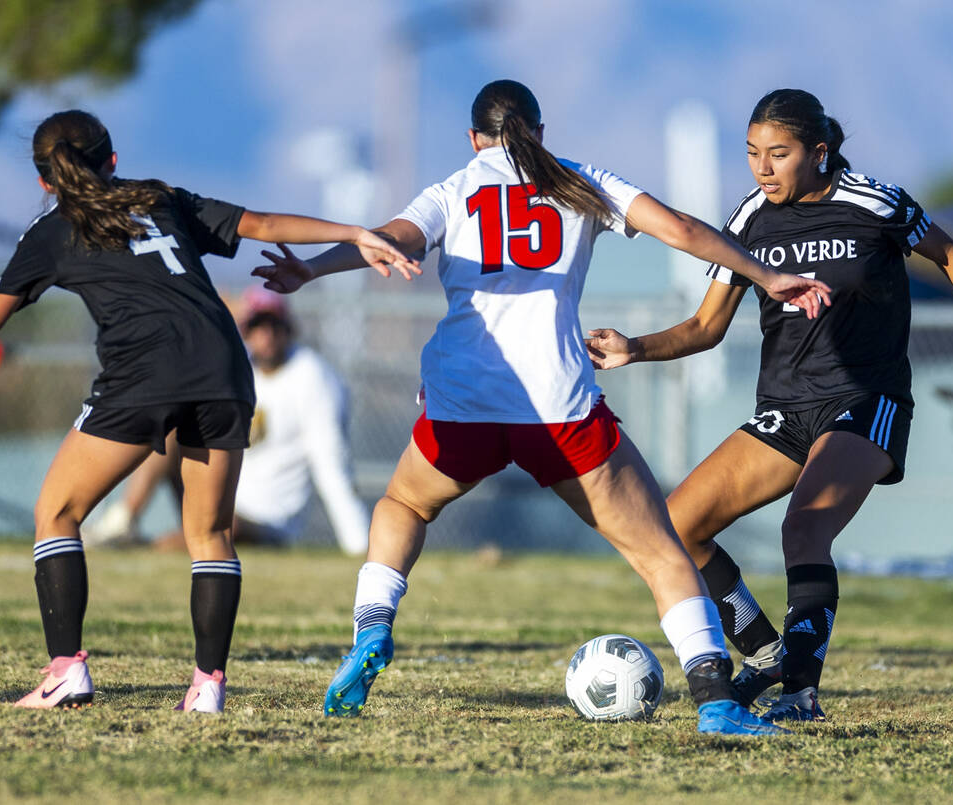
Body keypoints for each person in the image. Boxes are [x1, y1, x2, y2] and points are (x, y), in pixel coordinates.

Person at [253, 80, 831, 735]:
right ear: (540, 131)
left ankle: (371, 628)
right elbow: (681, 229)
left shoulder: (454, 190)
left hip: (464, 402)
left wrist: (310, 269)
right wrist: (767, 274)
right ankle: (716, 701)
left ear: (475, 139)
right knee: (660, 551)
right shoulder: (579, 181)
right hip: (558, 405)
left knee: (404, 505)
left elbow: (389, 239)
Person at [0, 109, 417, 713]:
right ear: (112, 159)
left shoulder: (52, 230)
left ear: (45, 182)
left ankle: (66, 672)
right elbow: (263, 222)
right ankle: (207, 687)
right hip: (223, 364)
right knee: (210, 533)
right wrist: (354, 233)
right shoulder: (160, 197)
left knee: (57, 512)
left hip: (145, 374)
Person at [586, 88, 953, 722]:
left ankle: (801, 694)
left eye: (777, 154)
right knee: (677, 527)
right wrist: (634, 348)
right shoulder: (750, 218)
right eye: (753, 153)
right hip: (786, 407)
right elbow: (705, 327)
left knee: (804, 527)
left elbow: (948, 254)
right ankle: (764, 653)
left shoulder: (878, 202)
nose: (762, 168)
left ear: (818, 152)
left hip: (867, 399)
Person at [86, 286, 371, 555]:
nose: (267, 335)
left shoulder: (312, 377)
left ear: (288, 329)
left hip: (267, 519)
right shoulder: (238, 366)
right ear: (246, 331)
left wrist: (357, 542)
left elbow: (331, 463)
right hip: (220, 489)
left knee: (222, 528)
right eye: (257, 326)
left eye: (274, 325)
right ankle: (123, 522)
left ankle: (147, 548)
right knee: (171, 431)